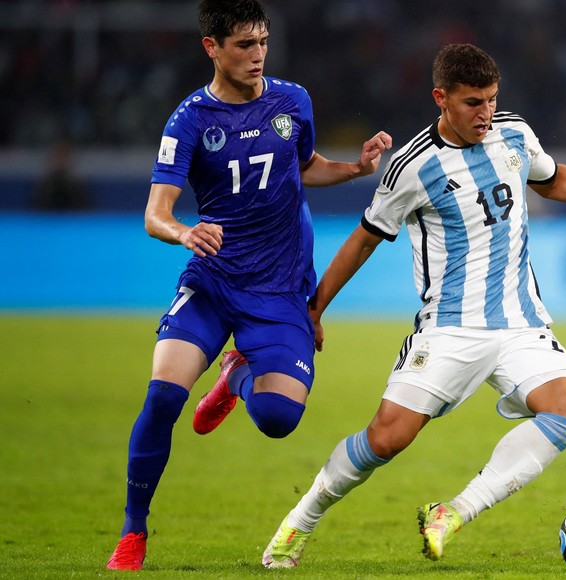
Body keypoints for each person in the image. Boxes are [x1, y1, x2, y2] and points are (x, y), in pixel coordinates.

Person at [260, 43, 566, 569]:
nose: (486, 113)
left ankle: (451, 513)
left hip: (521, 323)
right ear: (441, 98)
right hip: (449, 329)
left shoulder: (514, 133)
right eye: (474, 102)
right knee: (386, 440)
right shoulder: (412, 167)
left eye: (492, 100)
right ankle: (299, 522)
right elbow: (363, 239)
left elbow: (551, 179)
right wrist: (314, 310)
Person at [105, 0, 391, 571]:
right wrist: (185, 233)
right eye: (243, 45)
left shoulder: (292, 100)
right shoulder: (189, 120)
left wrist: (355, 169)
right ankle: (133, 532)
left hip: (282, 289)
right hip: (213, 281)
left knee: (278, 420)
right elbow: (155, 215)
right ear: (211, 47)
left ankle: (237, 375)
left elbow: (303, 165)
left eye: (262, 42)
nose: (257, 55)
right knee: (163, 396)